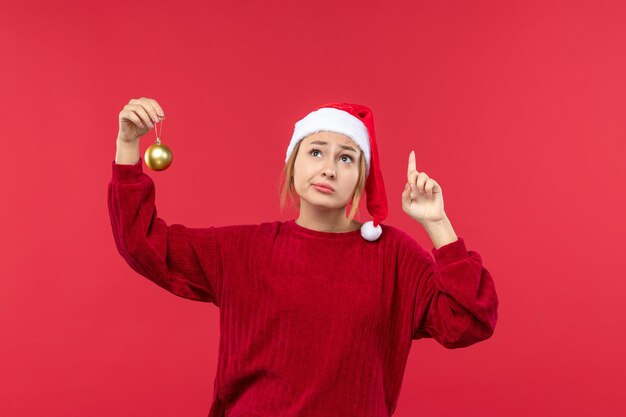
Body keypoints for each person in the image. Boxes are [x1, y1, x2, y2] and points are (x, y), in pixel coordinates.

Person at [108, 97, 499, 417]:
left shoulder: (393, 257)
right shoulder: (244, 250)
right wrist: (128, 146)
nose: (328, 169)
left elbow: (469, 321)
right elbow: (142, 243)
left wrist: (438, 224)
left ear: (362, 177)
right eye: (315, 152)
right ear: (293, 163)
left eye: (346, 158)